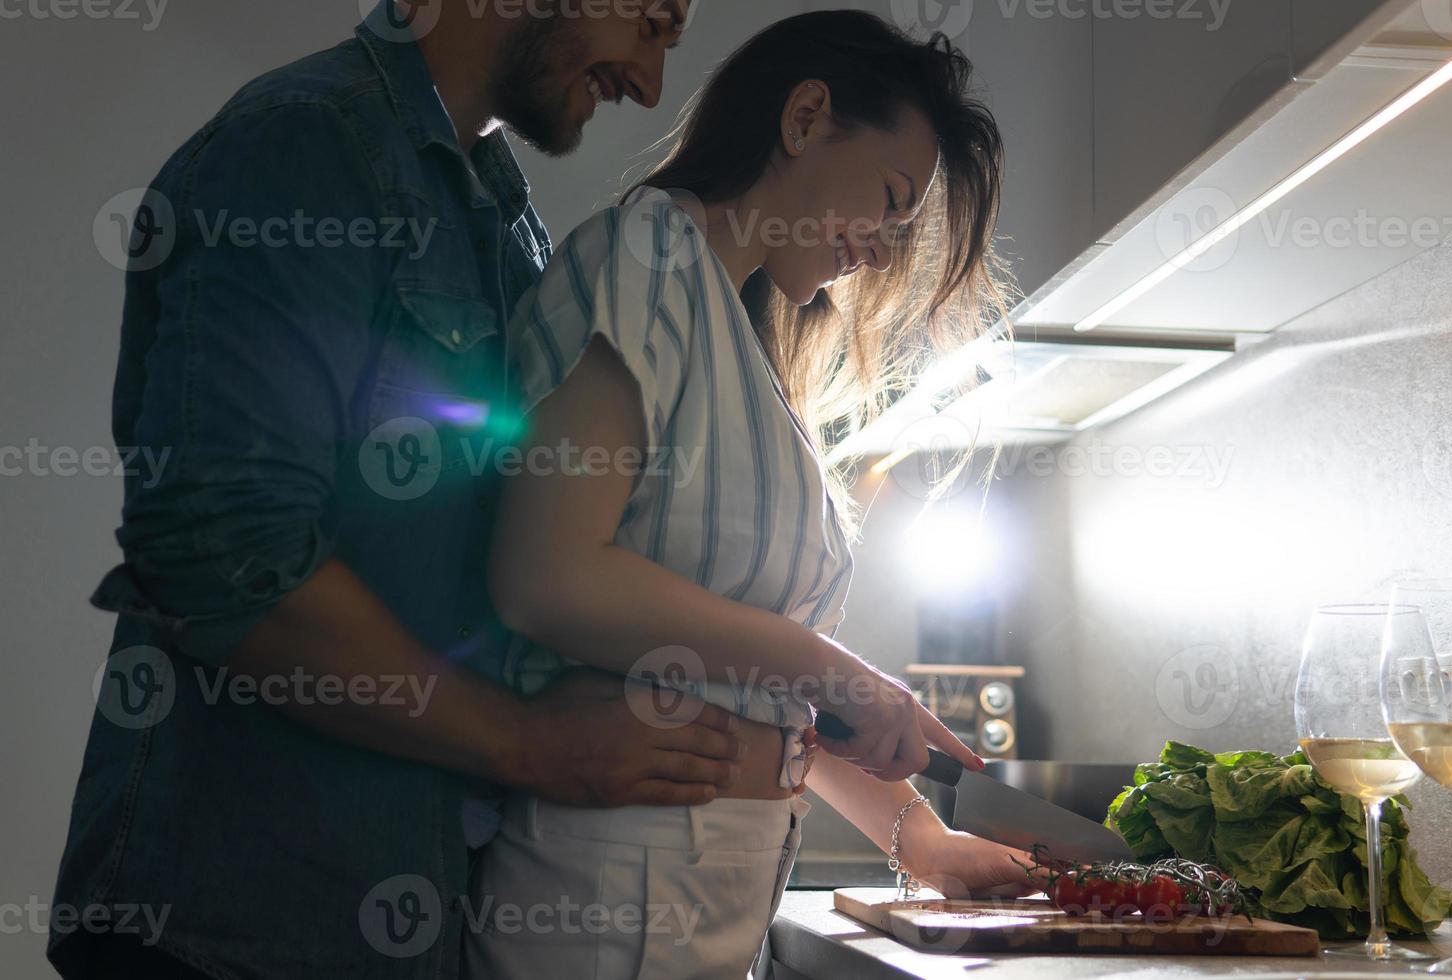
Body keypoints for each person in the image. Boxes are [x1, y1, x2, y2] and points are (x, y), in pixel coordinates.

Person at [48, 2, 738, 978]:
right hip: (227, 930)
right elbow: (228, 556)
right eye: (654, 21)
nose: (652, 82)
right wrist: (536, 744)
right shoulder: (303, 145)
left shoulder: (505, 223)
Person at [464, 11, 1035, 978]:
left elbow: (755, 686)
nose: (884, 254)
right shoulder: (645, 259)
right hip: (606, 899)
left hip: (695, 899)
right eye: (889, 202)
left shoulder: (745, 343)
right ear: (805, 117)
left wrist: (919, 837)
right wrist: (833, 670)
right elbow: (547, 578)